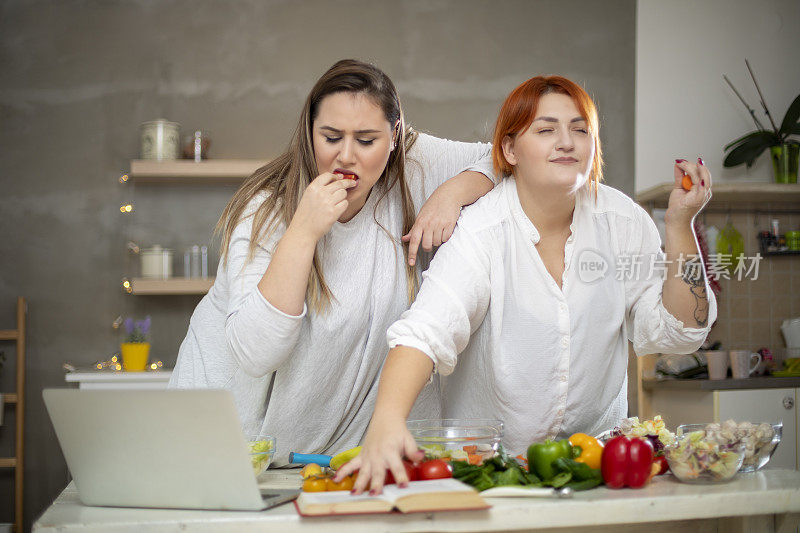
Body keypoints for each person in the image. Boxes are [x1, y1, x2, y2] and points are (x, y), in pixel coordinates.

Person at [337, 75, 717, 493]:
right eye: (547, 129)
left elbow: (680, 333)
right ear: (510, 149)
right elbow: (426, 331)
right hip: (493, 474)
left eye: (580, 129)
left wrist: (681, 224)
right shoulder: (482, 231)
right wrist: (387, 422)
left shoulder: (624, 222)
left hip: (601, 469)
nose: (567, 142)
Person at [168, 59, 498, 465]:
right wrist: (303, 232)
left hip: (318, 457)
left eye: (366, 140)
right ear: (310, 131)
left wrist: (452, 193)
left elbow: (501, 156)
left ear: (395, 136)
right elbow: (256, 353)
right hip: (222, 442)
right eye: (331, 137)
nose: (346, 156)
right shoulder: (266, 210)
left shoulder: (411, 165)